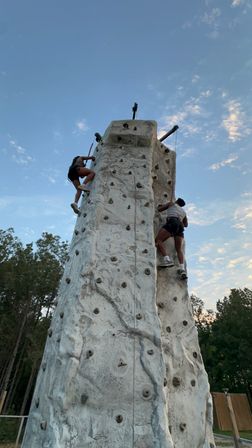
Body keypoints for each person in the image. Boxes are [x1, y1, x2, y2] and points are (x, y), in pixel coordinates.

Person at [155, 197, 188, 279]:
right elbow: (186, 225)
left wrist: (161, 206)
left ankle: (167, 260)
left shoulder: (171, 204)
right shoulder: (184, 212)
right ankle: (182, 269)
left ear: (176, 201)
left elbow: (159, 209)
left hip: (172, 222)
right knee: (179, 249)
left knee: (158, 240)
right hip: (180, 227)